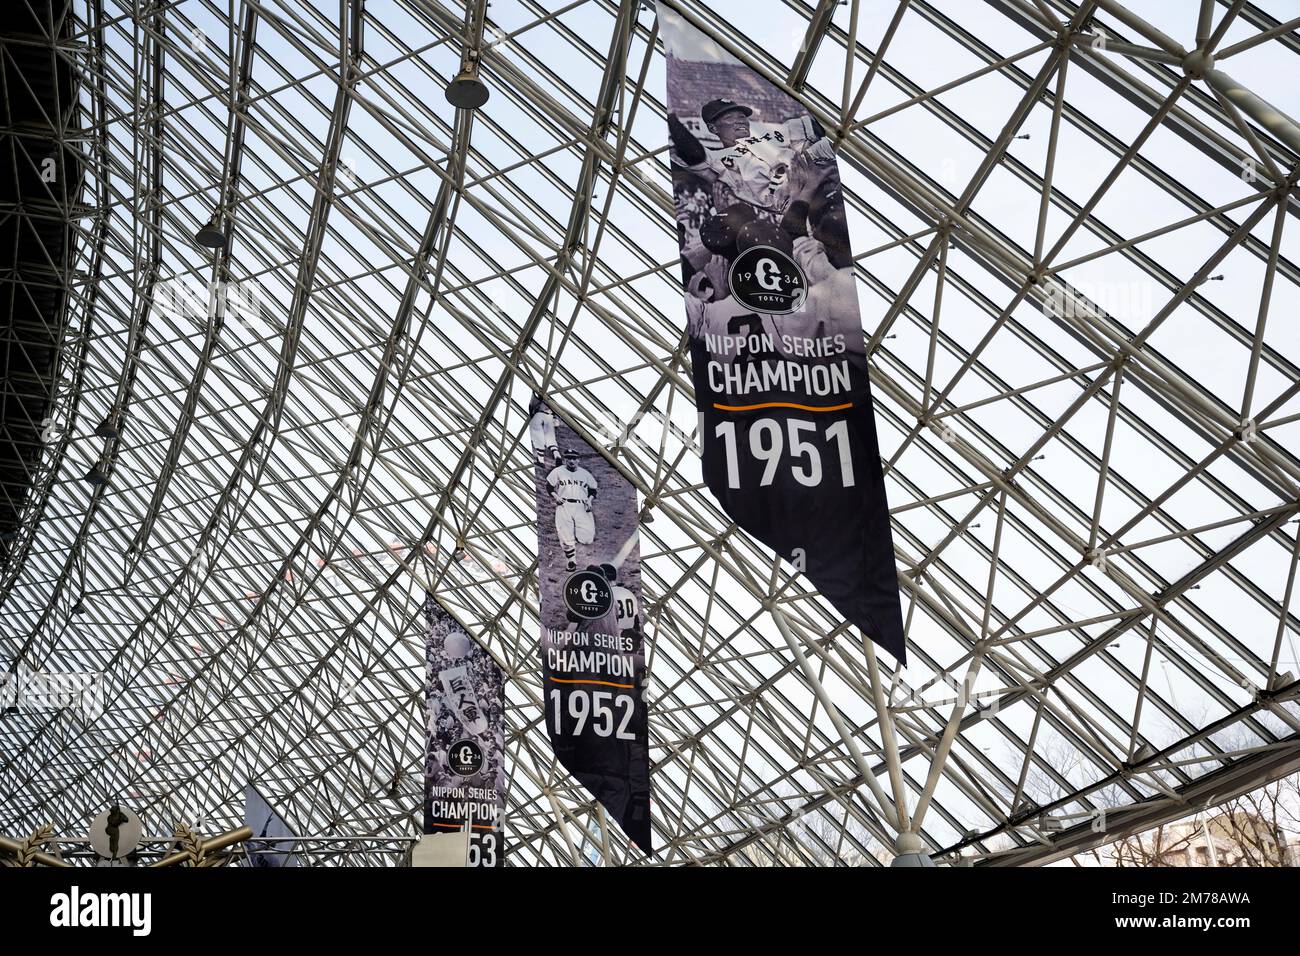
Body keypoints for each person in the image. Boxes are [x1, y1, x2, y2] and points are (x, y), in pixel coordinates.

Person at [546, 450, 597, 571]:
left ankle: (576, 540)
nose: (571, 461)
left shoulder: (585, 474)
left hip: (582, 506)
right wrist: (556, 497)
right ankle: (571, 560)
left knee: (587, 538)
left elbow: (593, 490)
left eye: (574, 458)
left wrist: (590, 500)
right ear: (564, 460)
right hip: (564, 504)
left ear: (578, 460)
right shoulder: (558, 471)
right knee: (565, 534)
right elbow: (549, 486)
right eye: (568, 458)